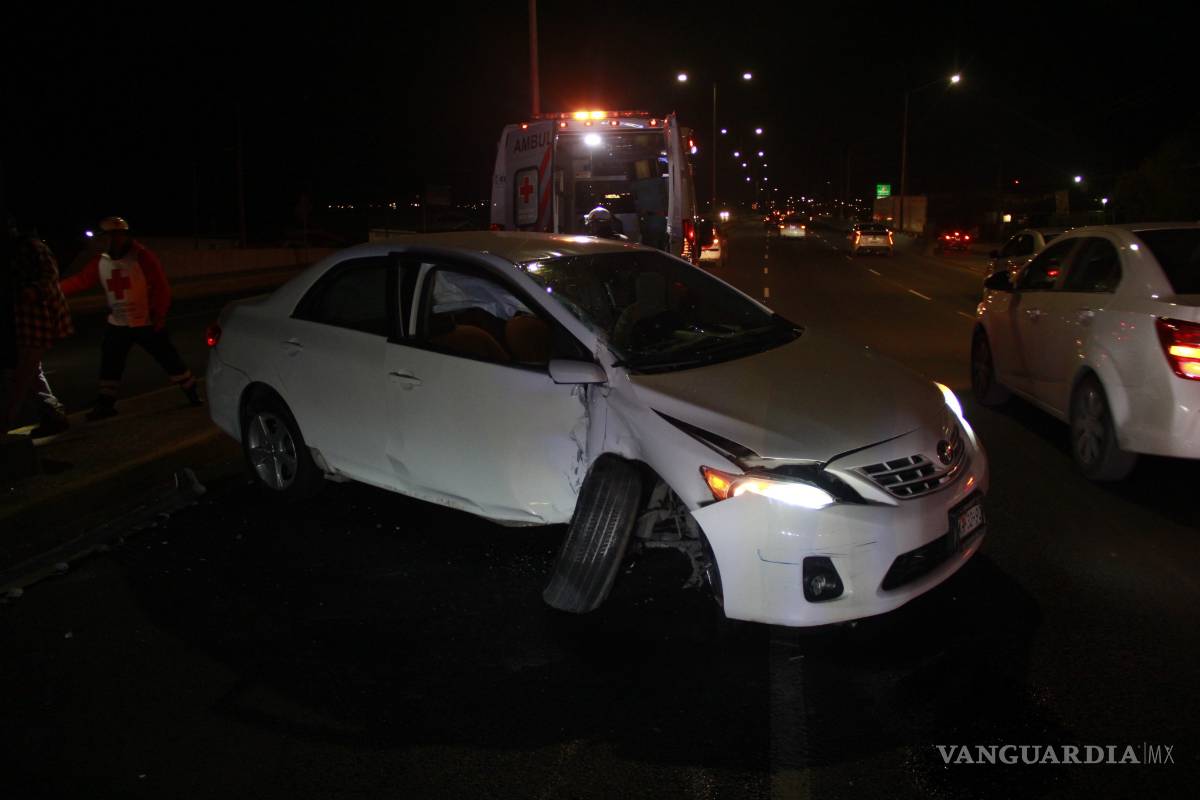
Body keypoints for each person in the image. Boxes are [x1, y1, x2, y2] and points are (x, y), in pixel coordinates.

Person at [60, 216, 201, 420]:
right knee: (110, 361)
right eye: (110, 236)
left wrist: (158, 316)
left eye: (118, 235)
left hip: (146, 322)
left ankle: (191, 392)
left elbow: (162, 288)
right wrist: (54, 290)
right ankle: (105, 403)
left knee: (169, 359)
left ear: (125, 236)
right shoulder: (100, 262)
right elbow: (80, 281)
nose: (114, 240)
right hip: (118, 323)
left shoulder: (142, 257)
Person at [2, 214, 73, 435]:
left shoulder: (31, 248)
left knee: (20, 377)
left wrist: (31, 292)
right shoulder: (14, 250)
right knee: (28, 372)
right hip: (20, 321)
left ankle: (4, 425)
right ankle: (53, 414)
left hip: (37, 319)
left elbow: (50, 278)